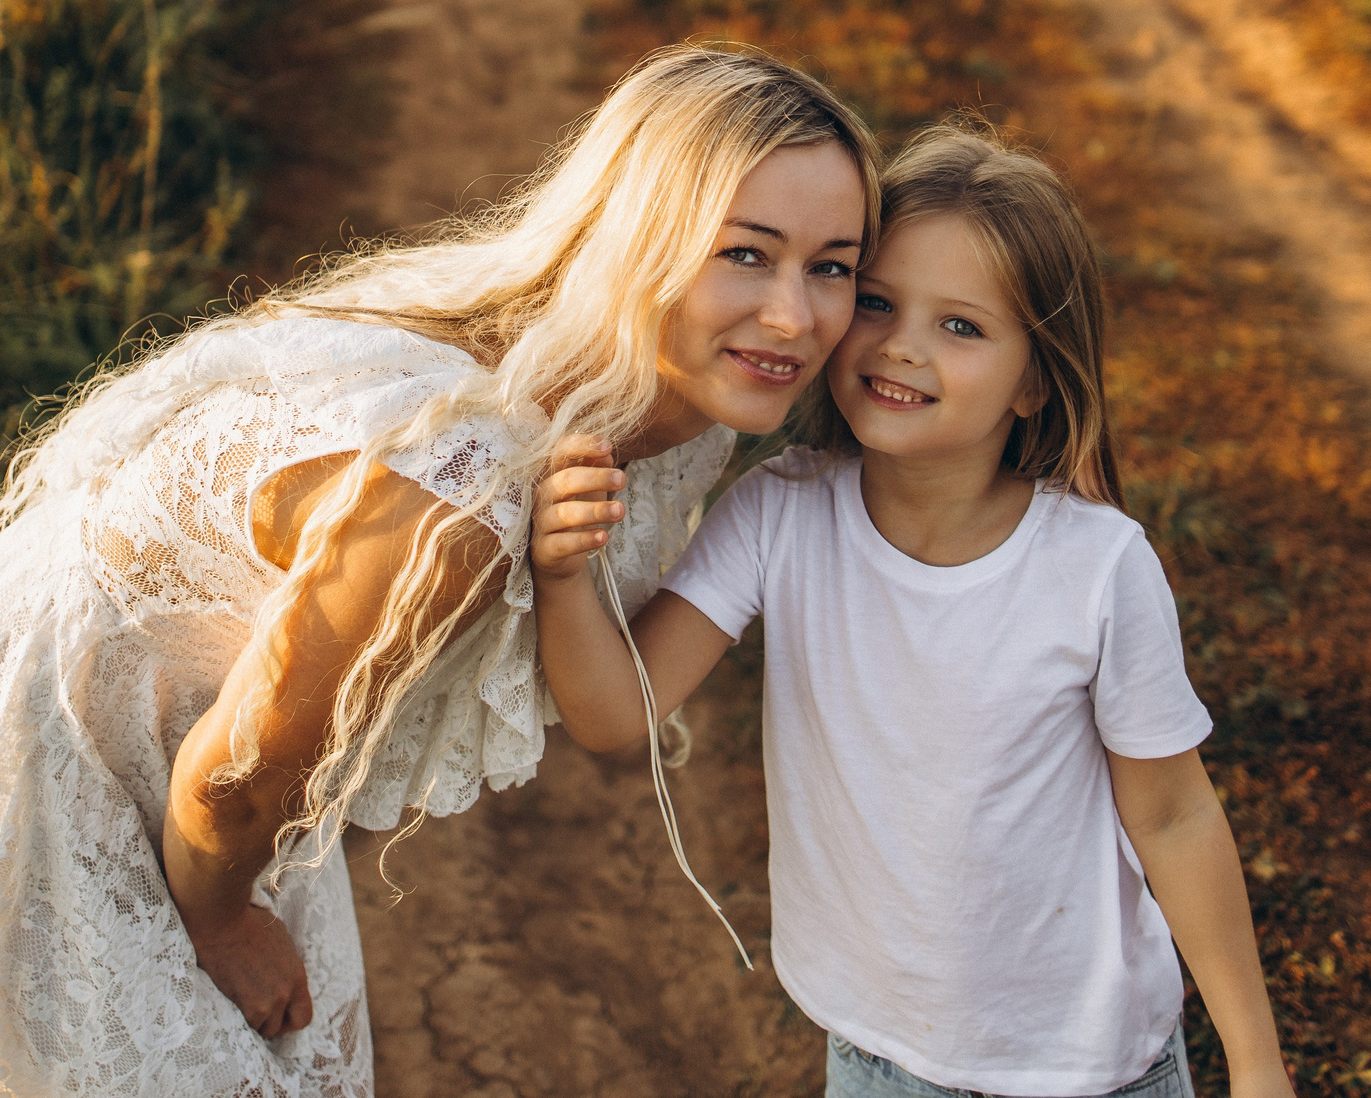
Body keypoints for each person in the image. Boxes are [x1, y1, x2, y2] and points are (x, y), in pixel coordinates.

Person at [0, 45, 877, 1097]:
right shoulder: (459, 500)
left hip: (199, 744)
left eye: (832, 265)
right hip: (51, 753)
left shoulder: (655, 383)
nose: (794, 317)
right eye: (745, 254)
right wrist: (221, 922)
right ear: (635, 239)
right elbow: (234, 783)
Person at [532, 125, 1298, 1098]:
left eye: (961, 326)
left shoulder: (1098, 569)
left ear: (1034, 379)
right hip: (877, 1053)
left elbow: (1175, 814)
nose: (901, 344)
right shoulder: (779, 515)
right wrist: (563, 576)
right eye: (878, 302)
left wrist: (1255, 1061)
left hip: (1088, 1062)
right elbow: (614, 713)